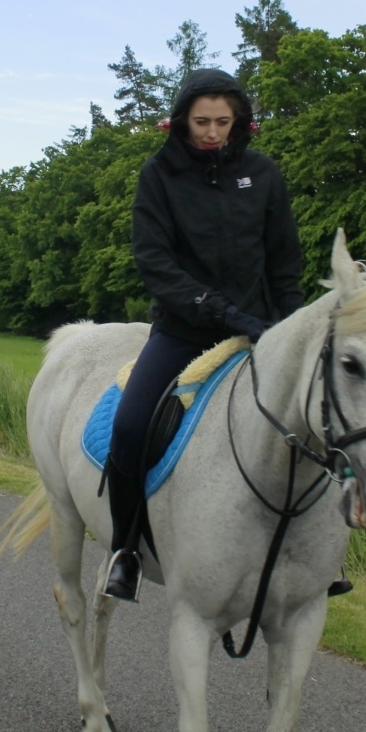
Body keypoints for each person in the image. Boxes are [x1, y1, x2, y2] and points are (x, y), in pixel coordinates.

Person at [102, 68, 303, 601]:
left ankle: (313, 560)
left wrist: (287, 327)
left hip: (261, 332)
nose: (212, 132)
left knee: (317, 425)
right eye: (201, 122)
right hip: (184, 332)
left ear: (239, 122)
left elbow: (284, 260)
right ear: (181, 120)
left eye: (222, 122)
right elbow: (155, 262)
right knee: (128, 426)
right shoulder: (158, 176)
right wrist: (214, 309)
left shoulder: (264, 175)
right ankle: (125, 549)